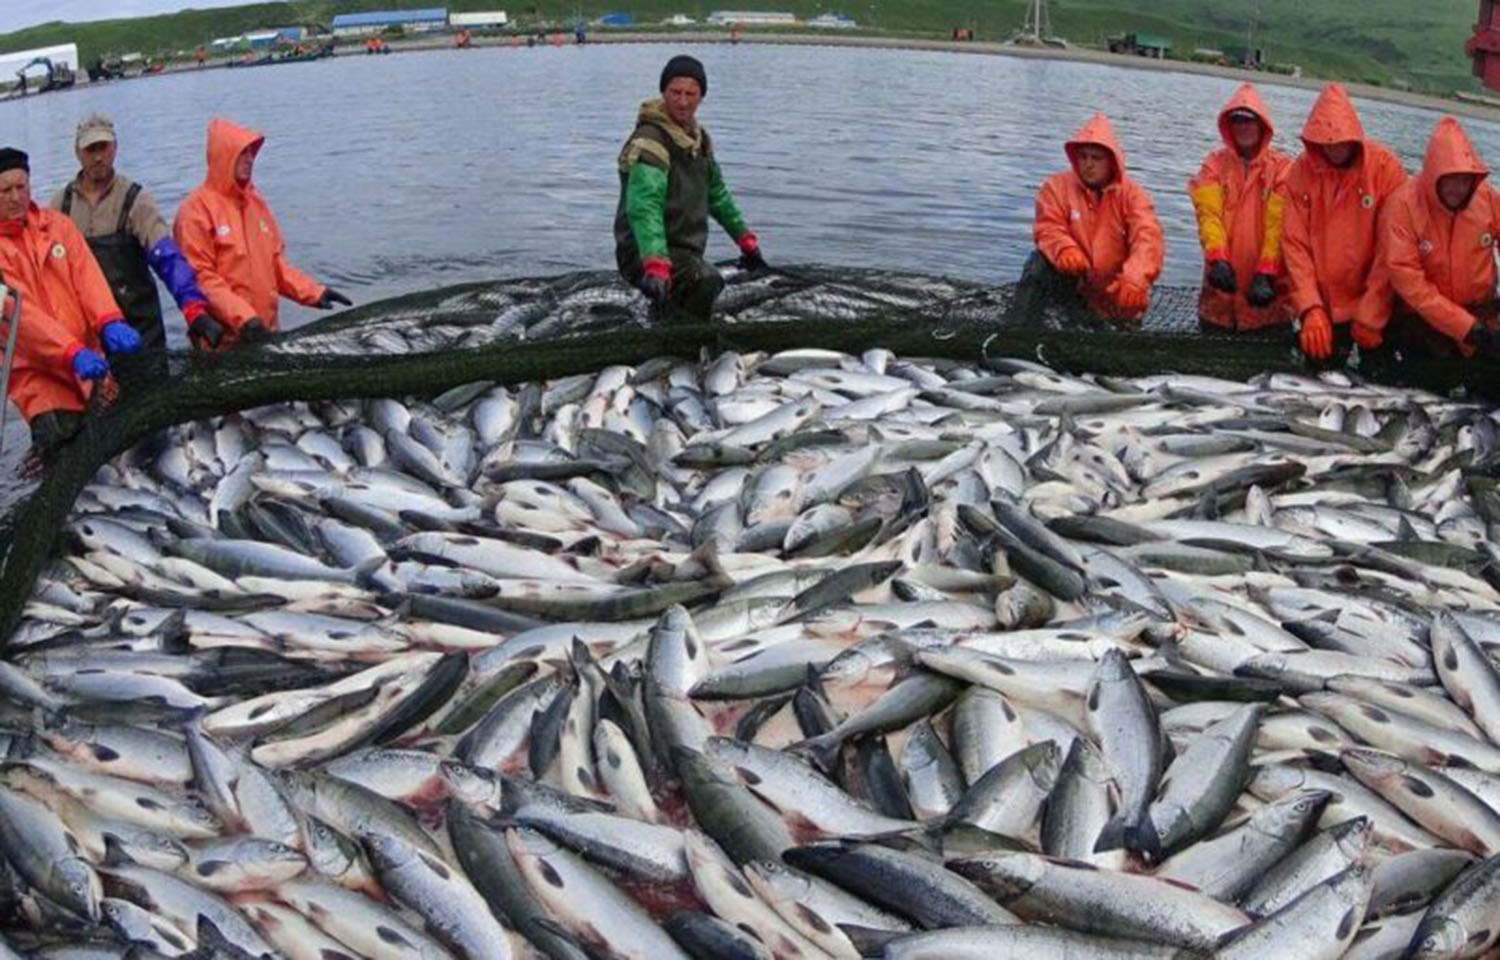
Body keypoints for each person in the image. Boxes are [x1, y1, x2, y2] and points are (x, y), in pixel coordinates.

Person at [0, 148, 138, 456]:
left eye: (21, 187)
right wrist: (70, 352)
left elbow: (88, 279)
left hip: (91, 362)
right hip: (38, 377)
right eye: (5, 190)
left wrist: (109, 320)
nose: (15, 197)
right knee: (61, 452)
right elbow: (20, 320)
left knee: (115, 451)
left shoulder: (58, 226)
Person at [173, 118, 350, 351]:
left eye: (251, 152)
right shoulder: (195, 211)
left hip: (265, 335)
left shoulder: (256, 204)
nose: (249, 159)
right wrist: (245, 319)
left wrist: (314, 293)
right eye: (242, 153)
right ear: (224, 155)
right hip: (222, 343)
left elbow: (275, 266)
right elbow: (201, 279)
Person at [50, 114, 208, 374]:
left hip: (140, 330)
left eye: (103, 147)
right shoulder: (60, 206)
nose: (98, 157)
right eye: (90, 149)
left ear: (115, 148)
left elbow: (166, 256)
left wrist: (192, 306)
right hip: (88, 335)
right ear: (77, 152)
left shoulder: (136, 199)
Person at [614, 55, 766, 325]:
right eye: (675, 92)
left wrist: (745, 240)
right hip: (642, 251)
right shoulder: (651, 141)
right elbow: (644, 207)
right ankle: (677, 342)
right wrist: (655, 263)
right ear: (663, 92)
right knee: (706, 279)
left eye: (690, 94)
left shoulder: (699, 140)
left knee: (701, 280)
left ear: (701, 97)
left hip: (682, 252)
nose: (683, 101)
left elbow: (717, 195)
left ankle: (668, 322)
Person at [1278, 83, 1407, 361]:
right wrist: (1309, 307)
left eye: (1340, 139)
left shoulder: (1387, 170)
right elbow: (1294, 245)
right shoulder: (1300, 171)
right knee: (1318, 375)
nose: (1334, 147)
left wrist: (1372, 312)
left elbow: (1394, 248)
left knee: (1384, 379)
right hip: (1324, 308)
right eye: (1325, 140)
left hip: (1378, 307)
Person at [1021, 111, 1164, 323]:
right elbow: (1048, 227)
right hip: (1071, 290)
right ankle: (1025, 331)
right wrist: (1064, 248)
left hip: (1118, 295)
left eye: (1096, 158)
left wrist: (1136, 278)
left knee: (1132, 296)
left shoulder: (1134, 196)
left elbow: (1148, 238)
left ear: (1111, 161)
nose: (1088, 164)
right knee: (1038, 262)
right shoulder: (1055, 187)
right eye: (1083, 157)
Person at [1375, 116, 1500, 357]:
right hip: (1422, 320)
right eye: (1450, 180)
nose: (1458, 188)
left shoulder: (1486, 199)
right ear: (1433, 176)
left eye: (1464, 180)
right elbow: (1409, 283)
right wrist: (1466, 328)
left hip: (1482, 315)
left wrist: (1479, 327)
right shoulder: (1402, 206)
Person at [1187, 84, 1291, 331]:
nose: (1243, 126)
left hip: (1267, 301)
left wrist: (1267, 271)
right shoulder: (1213, 164)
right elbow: (1208, 216)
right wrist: (1217, 259)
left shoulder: (1283, 168)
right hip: (1219, 301)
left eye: (1249, 120)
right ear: (1228, 125)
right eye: (1237, 120)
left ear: (1262, 124)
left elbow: (1280, 226)